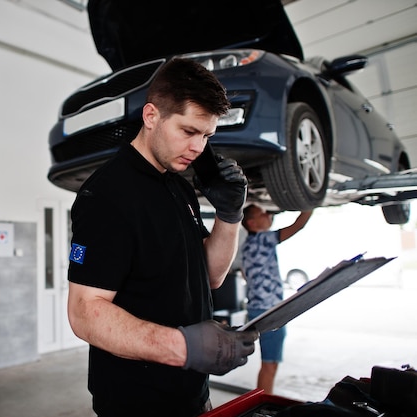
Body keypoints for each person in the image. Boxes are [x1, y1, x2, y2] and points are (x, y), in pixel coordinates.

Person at [66, 58, 259, 417]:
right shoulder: (108, 195)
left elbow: (211, 275)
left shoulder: (178, 186)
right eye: (188, 132)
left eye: (207, 136)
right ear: (151, 116)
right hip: (136, 403)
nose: (199, 147)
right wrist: (184, 346)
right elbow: (84, 313)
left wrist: (229, 216)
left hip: (193, 392)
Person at [241, 204, 313, 395]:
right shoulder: (264, 239)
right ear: (252, 223)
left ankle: (263, 401)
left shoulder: (248, 245)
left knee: (268, 363)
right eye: (262, 213)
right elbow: (298, 225)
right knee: (270, 365)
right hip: (269, 311)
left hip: (258, 309)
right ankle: (264, 404)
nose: (267, 215)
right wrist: (308, 203)